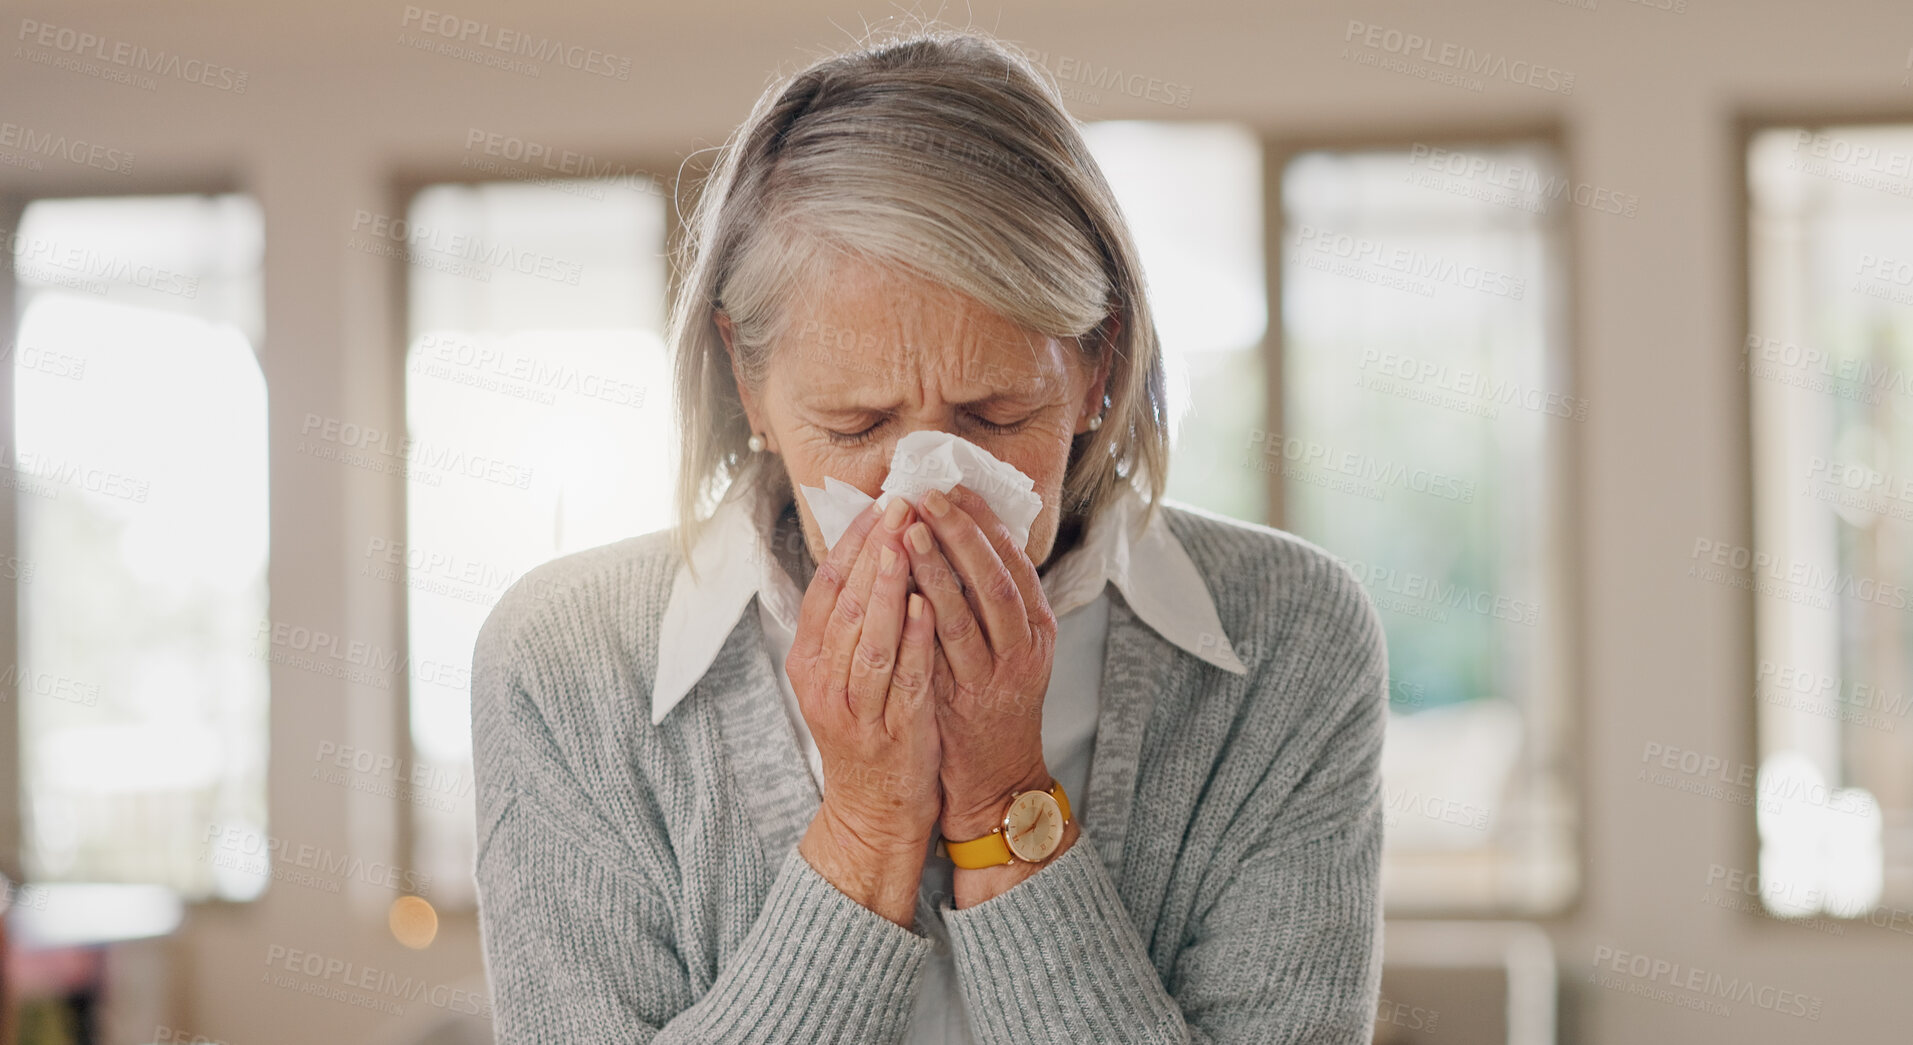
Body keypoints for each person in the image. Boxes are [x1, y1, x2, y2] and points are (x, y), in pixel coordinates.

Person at [469, 23, 1388, 1044]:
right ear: (749, 382)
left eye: (995, 417)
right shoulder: (563, 665)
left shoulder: (1288, 637)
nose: (924, 493)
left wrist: (1006, 799)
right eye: (854, 425)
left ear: (1095, 363)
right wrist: (862, 830)